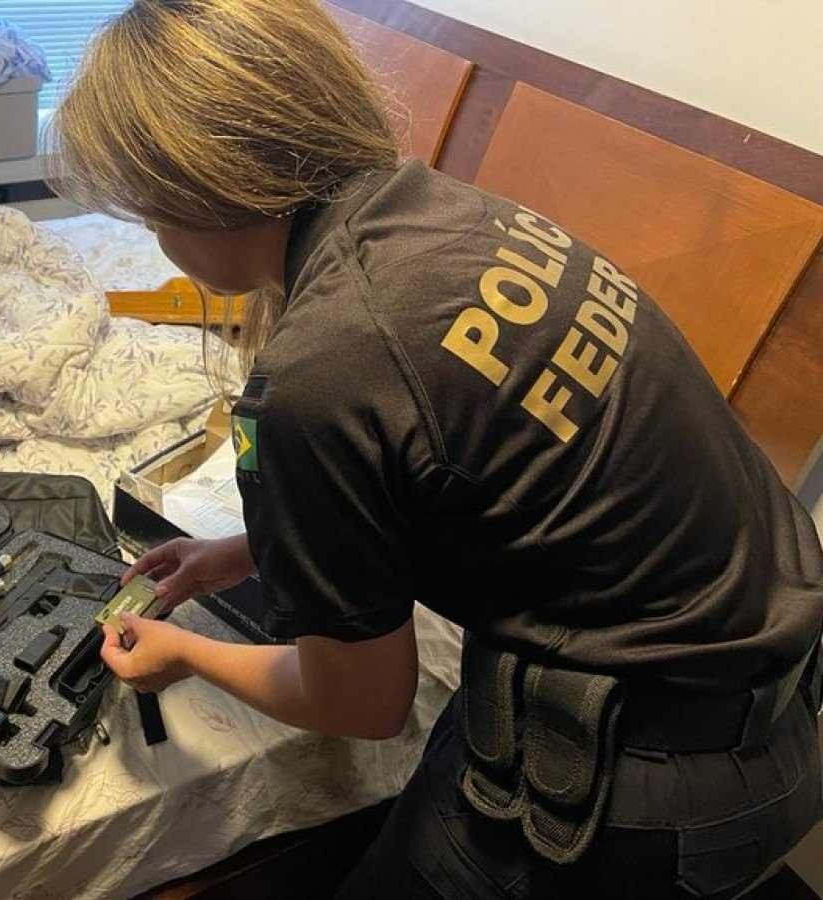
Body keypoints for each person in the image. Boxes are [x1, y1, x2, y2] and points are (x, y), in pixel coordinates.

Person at [48, 1, 823, 896]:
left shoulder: (314, 378)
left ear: (202, 191)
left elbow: (360, 703)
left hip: (631, 782)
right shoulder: (448, 212)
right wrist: (249, 550)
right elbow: (458, 460)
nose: (160, 244)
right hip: (772, 703)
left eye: (153, 216)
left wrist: (183, 654)